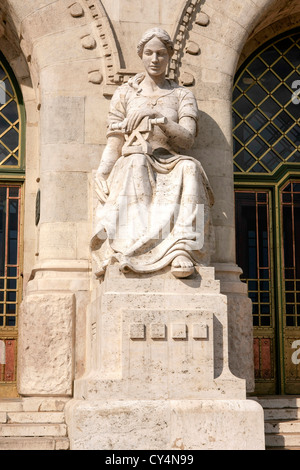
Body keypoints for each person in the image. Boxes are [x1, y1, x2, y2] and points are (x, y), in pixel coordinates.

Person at [91, 28, 214, 278]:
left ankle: (182, 248)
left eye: (160, 53)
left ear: (169, 56)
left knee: (190, 167)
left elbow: (188, 138)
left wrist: (158, 118)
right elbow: (114, 140)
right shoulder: (125, 93)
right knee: (135, 162)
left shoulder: (182, 95)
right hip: (137, 156)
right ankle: (133, 248)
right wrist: (103, 172)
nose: (154, 59)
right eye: (149, 53)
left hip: (171, 158)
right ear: (141, 56)